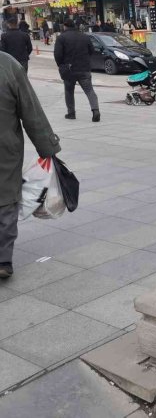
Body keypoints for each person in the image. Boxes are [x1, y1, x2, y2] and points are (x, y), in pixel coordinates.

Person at [0, 52, 61, 278]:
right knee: (5, 201)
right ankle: (3, 259)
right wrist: (47, 148)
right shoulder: (9, 65)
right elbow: (31, 111)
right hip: (4, 149)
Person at [54, 18, 100, 122]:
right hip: (84, 68)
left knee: (69, 91)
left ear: (65, 26)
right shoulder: (85, 37)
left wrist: (61, 65)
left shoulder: (61, 38)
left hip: (69, 69)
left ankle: (71, 113)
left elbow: (58, 55)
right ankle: (95, 110)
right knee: (89, 90)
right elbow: (92, 51)